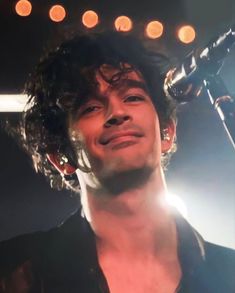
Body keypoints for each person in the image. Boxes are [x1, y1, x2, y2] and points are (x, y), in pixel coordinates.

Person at [0, 31, 234, 293]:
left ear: (166, 131)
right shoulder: (14, 273)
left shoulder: (228, 273)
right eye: (90, 108)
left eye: (132, 97)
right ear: (61, 157)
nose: (118, 112)